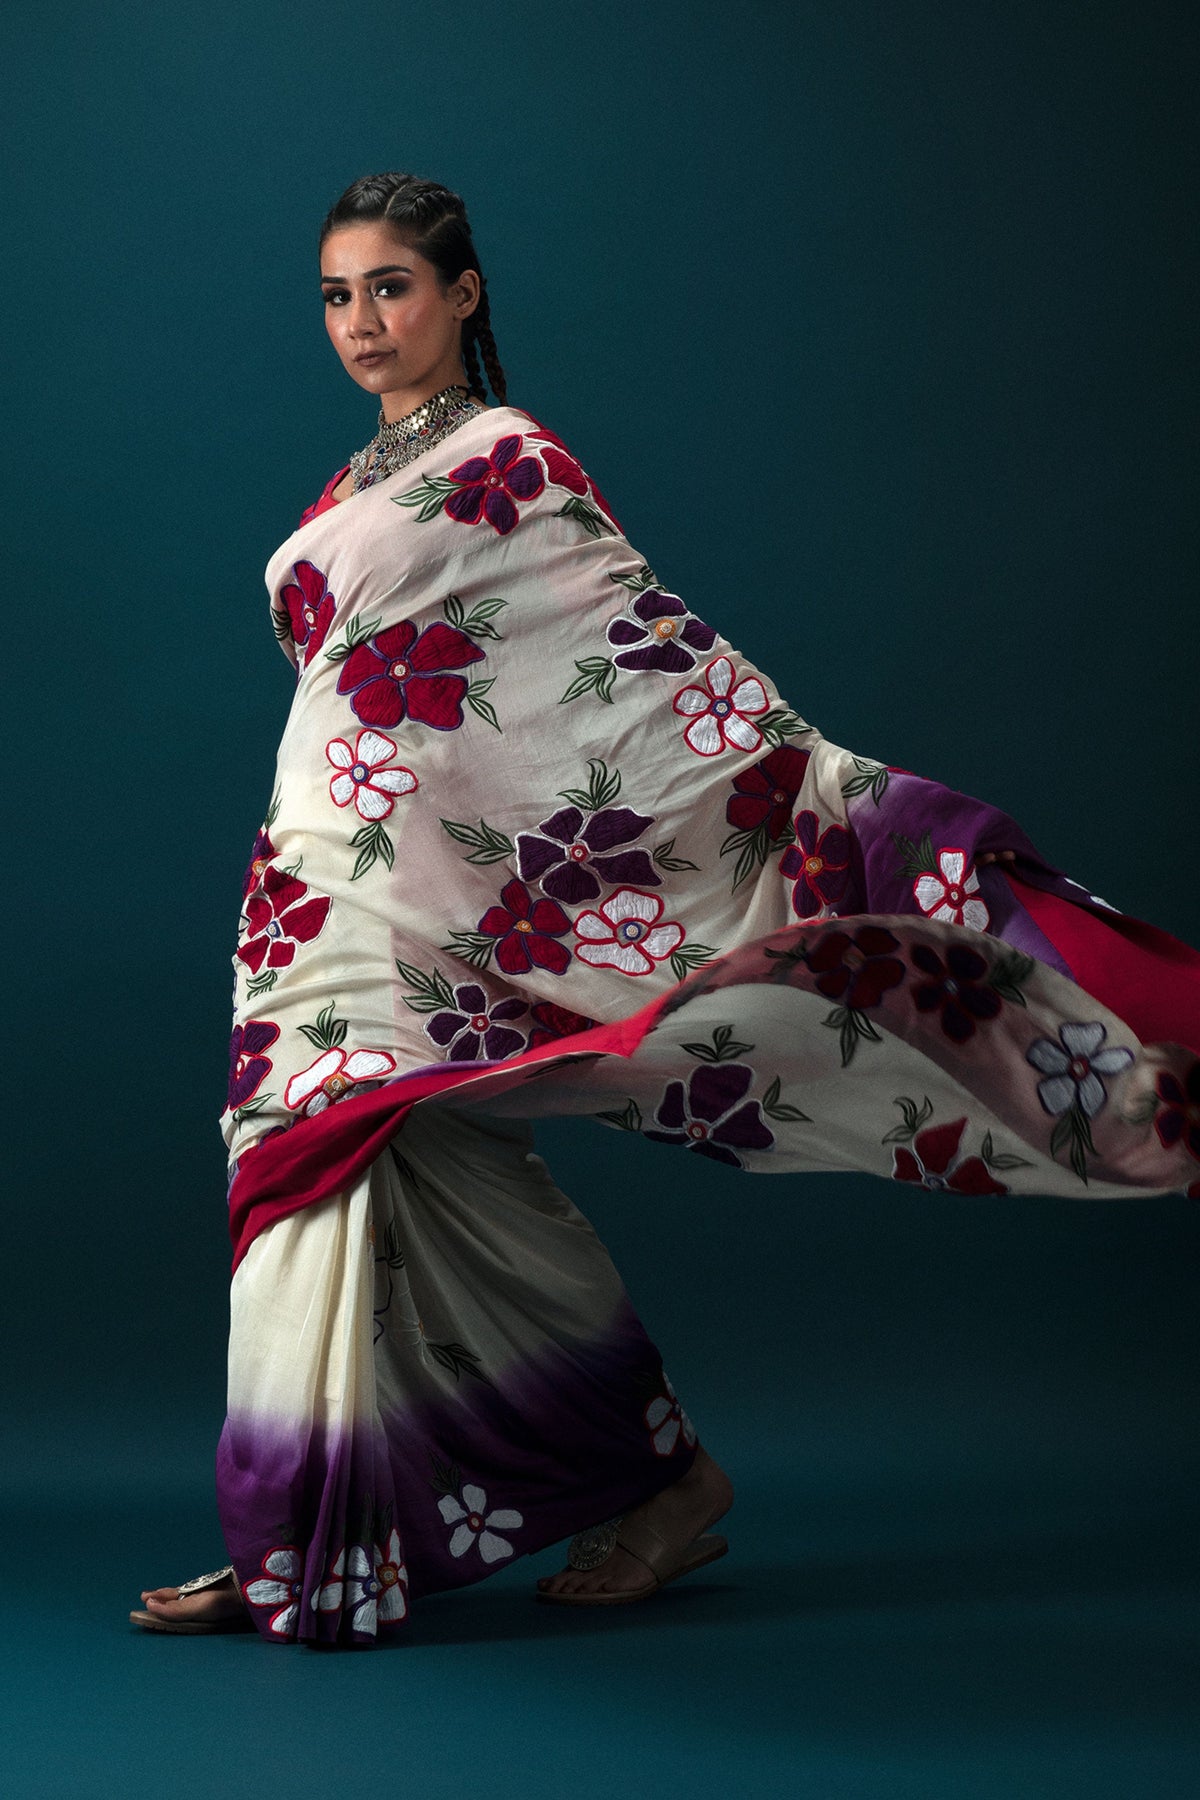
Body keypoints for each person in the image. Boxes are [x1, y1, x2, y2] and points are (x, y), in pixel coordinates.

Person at [131, 172, 1200, 1645]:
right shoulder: (351, 486)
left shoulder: (512, 461)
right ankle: (603, 1481)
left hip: (418, 900)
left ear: (463, 294)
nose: (363, 322)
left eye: (392, 286)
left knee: (324, 1142)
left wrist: (813, 795)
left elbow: (634, 681)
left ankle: (321, 1543)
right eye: (336, 294)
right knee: (376, 1160)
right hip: (340, 894)